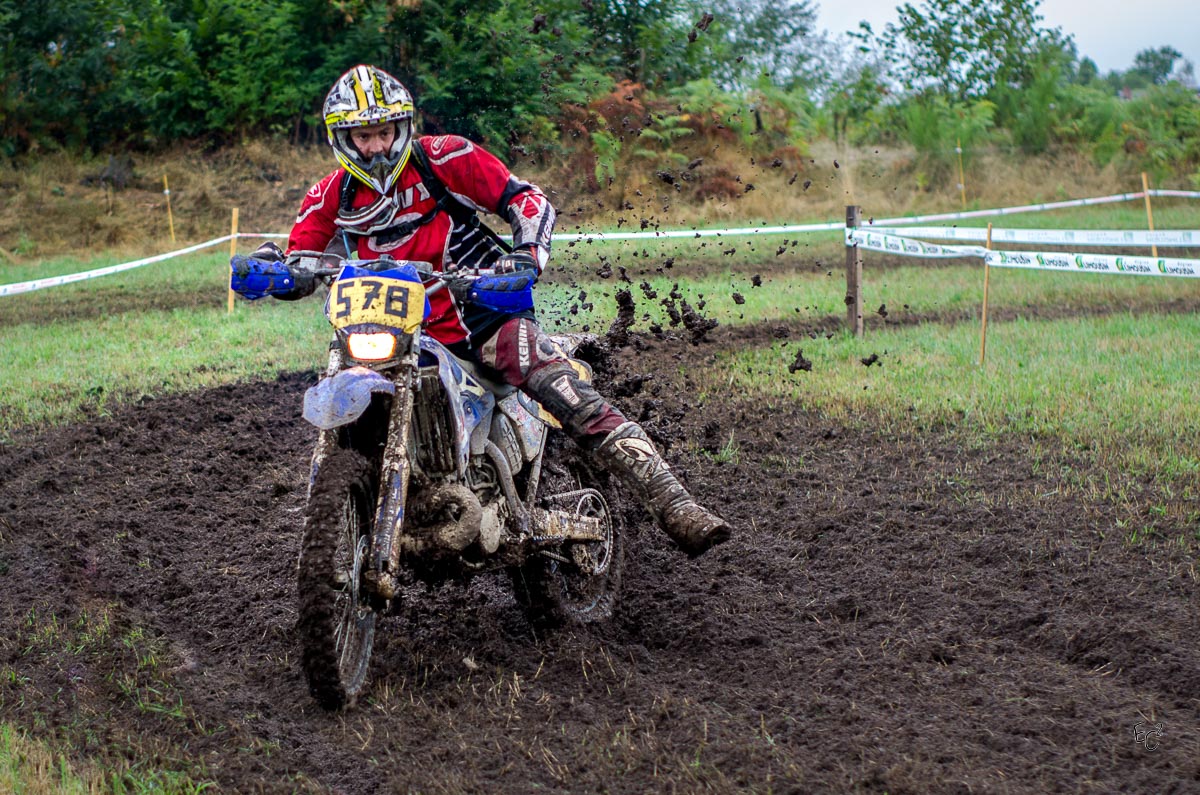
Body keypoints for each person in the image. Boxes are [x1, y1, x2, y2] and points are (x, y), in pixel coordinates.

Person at [255, 64, 730, 557]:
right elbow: (302, 259)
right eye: (362, 136)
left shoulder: (444, 158)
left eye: (383, 132)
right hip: (391, 329)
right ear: (342, 139)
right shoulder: (330, 195)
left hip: (481, 314)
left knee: (550, 378)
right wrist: (272, 272)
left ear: (402, 127)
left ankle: (674, 501)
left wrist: (525, 255)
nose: (375, 147)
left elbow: (527, 200)